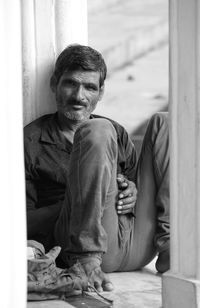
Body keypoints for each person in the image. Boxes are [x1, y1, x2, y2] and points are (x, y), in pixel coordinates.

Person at [24, 44, 169, 292]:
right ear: (54, 84)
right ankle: (87, 257)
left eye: (90, 87)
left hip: (135, 243)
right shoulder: (31, 141)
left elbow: (135, 192)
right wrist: (82, 198)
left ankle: (173, 249)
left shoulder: (117, 132)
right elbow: (20, 223)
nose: (79, 96)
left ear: (101, 92)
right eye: (71, 83)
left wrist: (130, 191)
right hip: (82, 250)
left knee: (166, 123)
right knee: (97, 129)